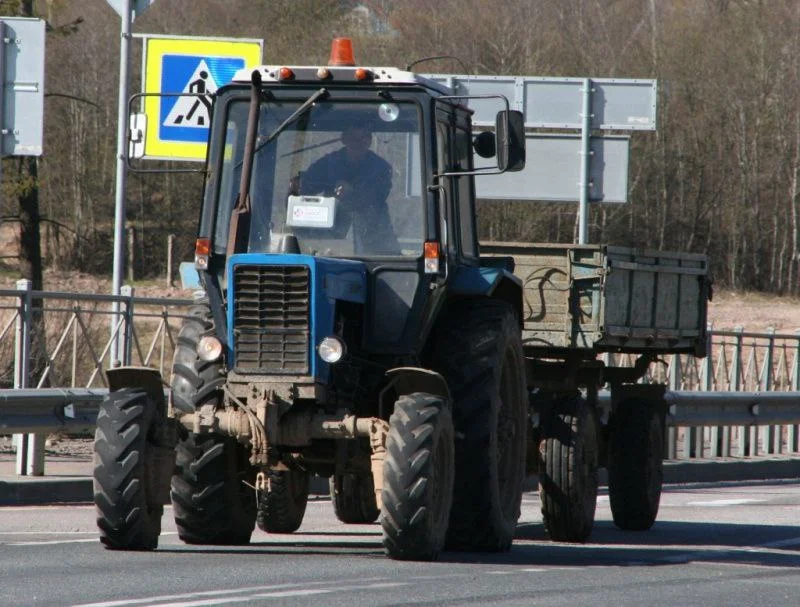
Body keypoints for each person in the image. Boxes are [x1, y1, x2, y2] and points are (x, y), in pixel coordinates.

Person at [295, 125, 398, 254]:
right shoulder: (328, 164)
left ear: (370, 141)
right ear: (344, 139)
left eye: (363, 138)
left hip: (373, 235)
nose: (358, 143)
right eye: (353, 137)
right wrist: (299, 187)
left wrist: (351, 193)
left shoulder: (380, 168)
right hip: (330, 236)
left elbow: (377, 198)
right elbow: (305, 187)